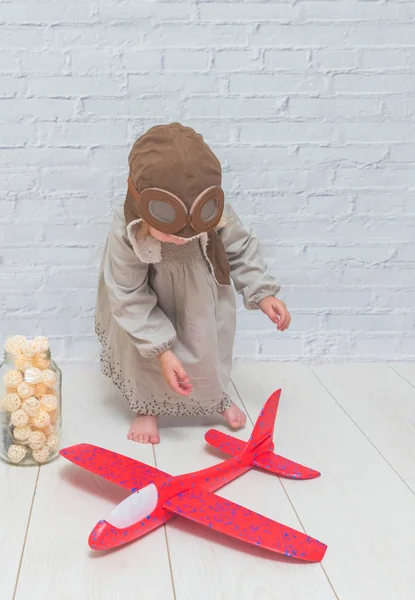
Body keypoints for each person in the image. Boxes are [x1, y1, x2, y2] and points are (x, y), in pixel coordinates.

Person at [95, 123, 291, 444]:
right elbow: (128, 292)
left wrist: (261, 291)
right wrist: (161, 349)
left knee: (205, 350)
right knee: (148, 361)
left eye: (192, 229)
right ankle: (147, 407)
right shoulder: (129, 230)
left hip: (200, 301)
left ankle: (213, 397)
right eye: (171, 230)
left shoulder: (214, 214)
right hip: (149, 305)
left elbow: (240, 248)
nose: (181, 238)